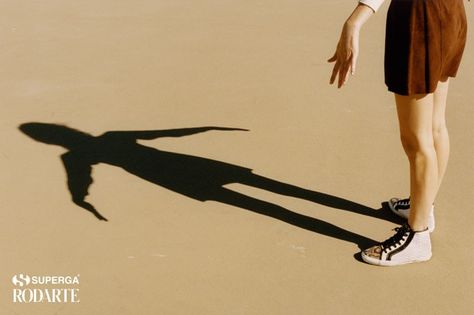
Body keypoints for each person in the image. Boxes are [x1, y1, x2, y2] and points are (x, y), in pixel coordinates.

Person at [328, 0, 468, 266]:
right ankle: (424, 206)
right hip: (451, 13)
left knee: (416, 140)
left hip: (419, 19)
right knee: (436, 124)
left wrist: (354, 21)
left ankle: (417, 236)